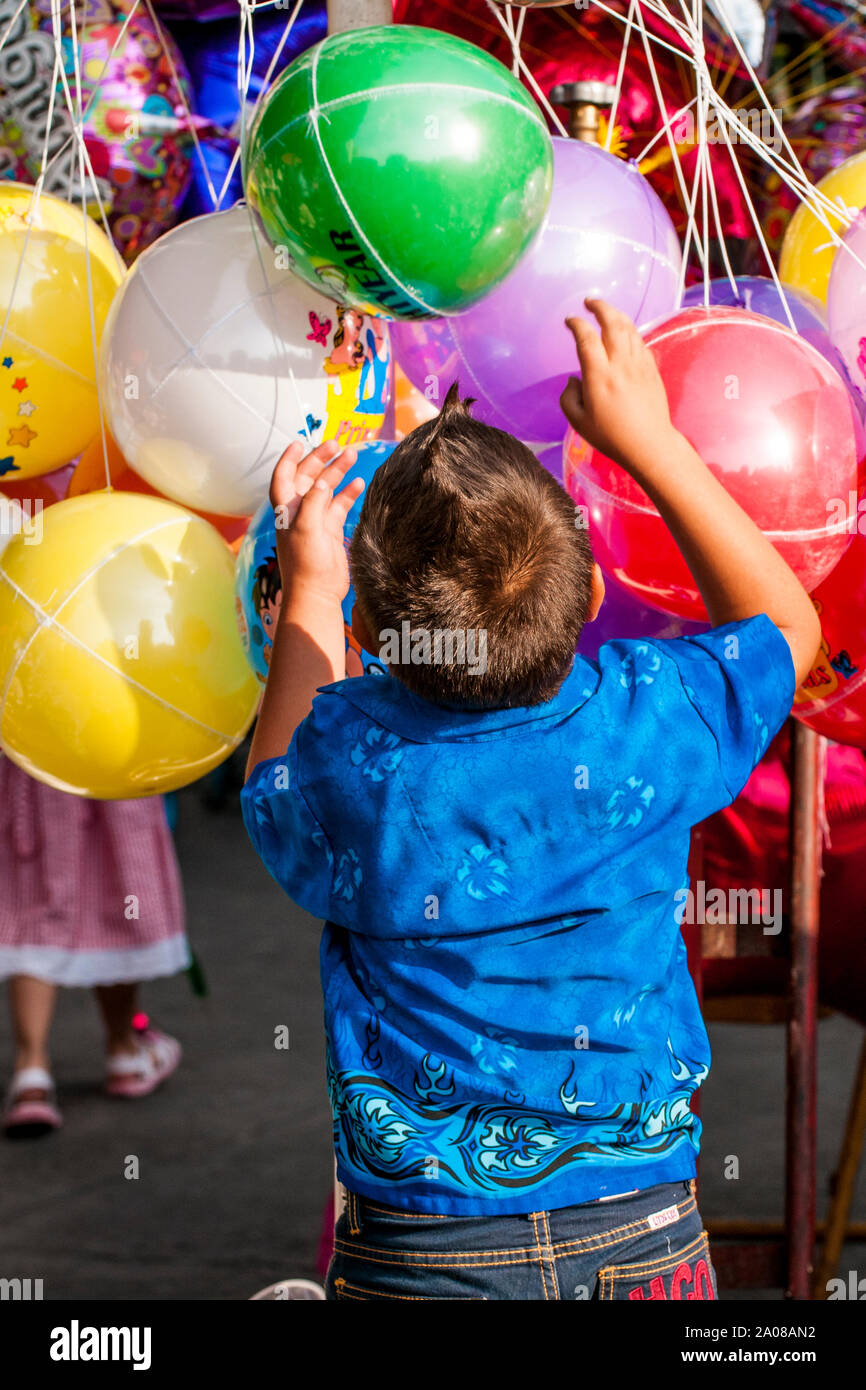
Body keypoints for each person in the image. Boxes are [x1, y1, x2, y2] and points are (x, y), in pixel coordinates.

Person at [241, 299, 820, 1301]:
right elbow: (786, 630)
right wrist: (649, 439)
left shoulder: (352, 764)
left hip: (425, 1250)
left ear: (368, 631)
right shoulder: (648, 719)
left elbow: (270, 782)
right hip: (643, 1231)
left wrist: (307, 584)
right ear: (592, 595)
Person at [1, 759, 186, 1138]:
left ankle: (31, 1070)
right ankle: (123, 1049)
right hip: (113, 758)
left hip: (34, 760)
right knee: (119, 900)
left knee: (35, 910)